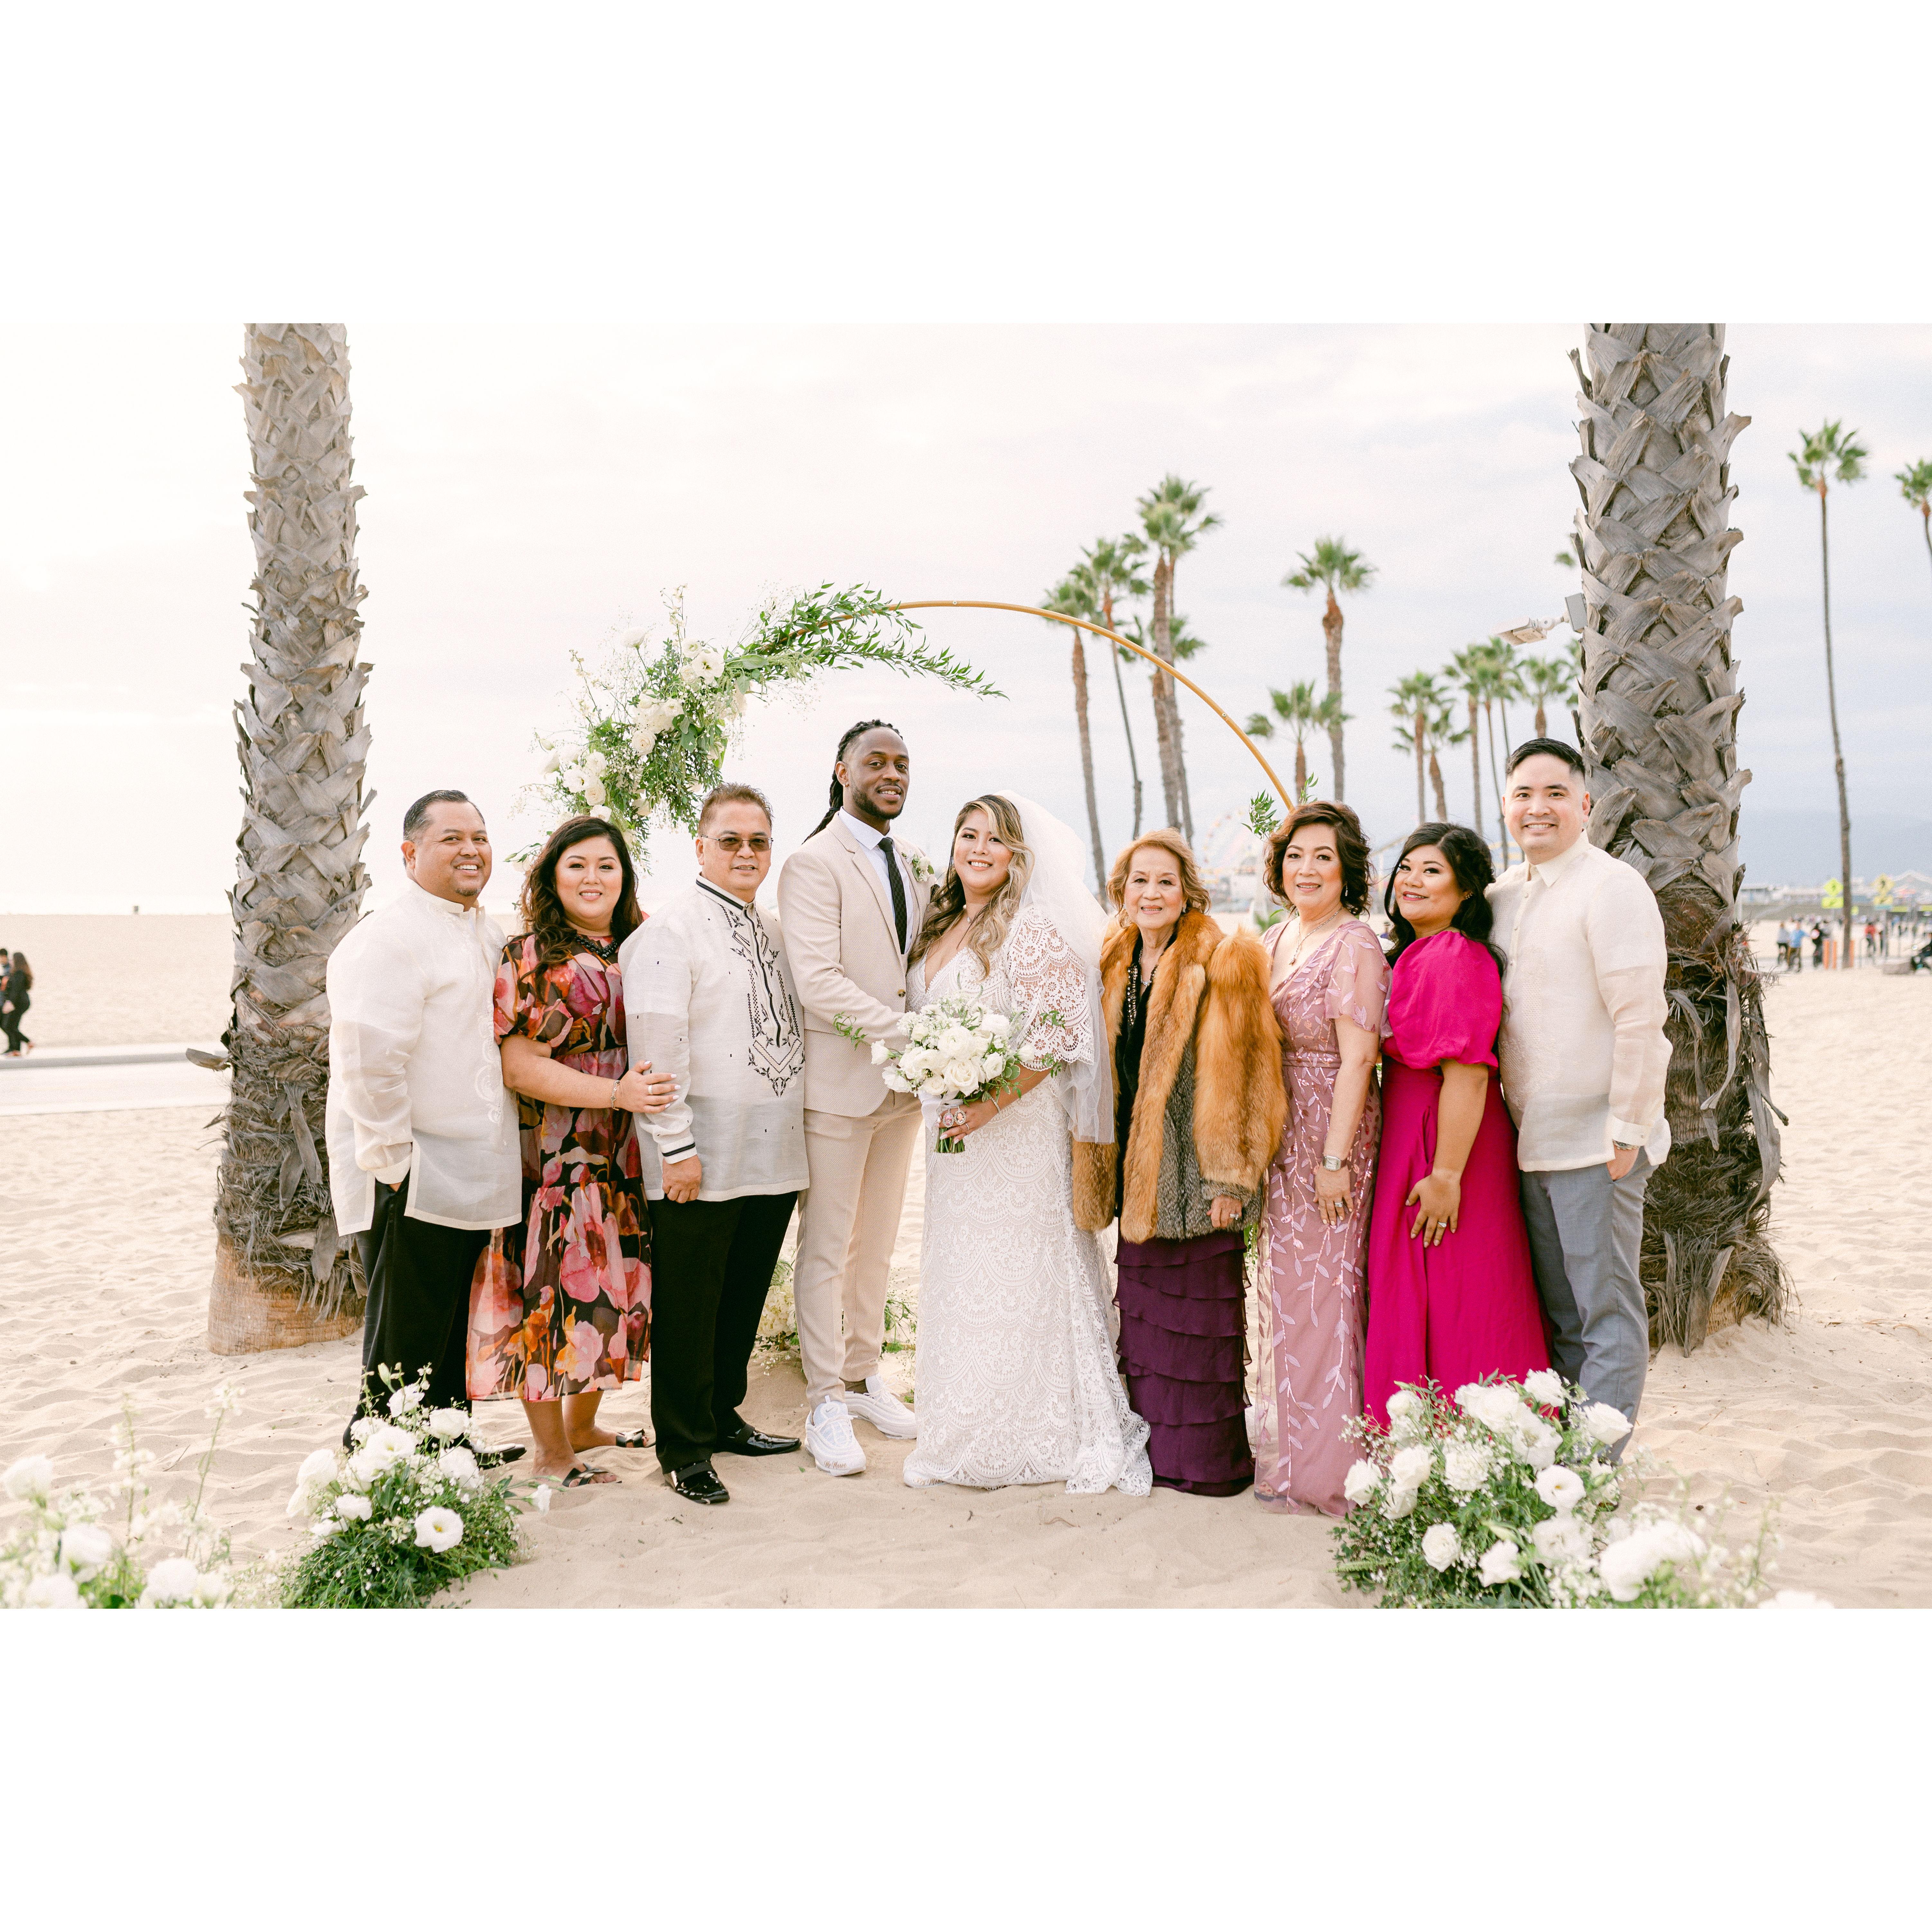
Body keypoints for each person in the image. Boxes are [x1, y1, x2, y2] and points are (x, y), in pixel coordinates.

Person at [902, 793, 1152, 1495]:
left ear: (1019, 856)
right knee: (964, 1269)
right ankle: (969, 1420)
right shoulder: (943, 923)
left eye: (995, 840)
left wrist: (989, 1103)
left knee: (1024, 1267)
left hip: (1014, 1129)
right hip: (953, 1130)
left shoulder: (1031, 928)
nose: (979, 849)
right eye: (968, 835)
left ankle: (1043, 1425)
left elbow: (1058, 1035)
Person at [466, 815, 675, 1488]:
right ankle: (553, 1454)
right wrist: (613, 1094)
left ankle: (586, 1427)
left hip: (629, 1150)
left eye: (607, 866)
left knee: (614, 1292)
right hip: (562, 1156)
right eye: (578, 865)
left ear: (625, 877)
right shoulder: (530, 955)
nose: (593, 878)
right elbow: (520, 1066)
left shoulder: (643, 948)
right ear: (554, 876)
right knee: (553, 1299)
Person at [1075, 829, 1284, 1496]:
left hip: (1197, 1174)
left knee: (1200, 1322)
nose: (1152, 893)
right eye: (1140, 881)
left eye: (1166, 881)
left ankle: (1206, 1466)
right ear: (1121, 891)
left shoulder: (1227, 957)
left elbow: (1249, 1077)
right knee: (1144, 1319)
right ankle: (1154, 1455)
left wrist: (1232, 1179)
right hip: (1139, 1177)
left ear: (1189, 890)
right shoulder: (1114, 958)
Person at [621, 783, 811, 1505]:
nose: (746, 853)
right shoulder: (670, 933)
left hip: (772, 1150)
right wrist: (675, 1149)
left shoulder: (773, 929)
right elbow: (658, 1052)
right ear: (699, 847)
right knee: (691, 1301)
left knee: (740, 1298)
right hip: (701, 1152)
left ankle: (721, 1415)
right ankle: (683, 1445)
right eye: (730, 840)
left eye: (759, 841)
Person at [325, 792, 525, 1451]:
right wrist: (393, 1163)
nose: (471, 850)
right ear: (410, 854)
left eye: (480, 836)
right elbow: (368, 1060)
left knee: (450, 1318)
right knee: (403, 1332)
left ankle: (449, 1448)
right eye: (451, 839)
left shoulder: (483, 930)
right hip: (411, 1169)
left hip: (470, 1167)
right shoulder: (390, 938)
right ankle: (384, 1461)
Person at [1492, 740, 1670, 1441]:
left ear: (1585, 805)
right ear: (1506, 807)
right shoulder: (1503, 896)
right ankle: (1565, 1454)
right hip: (1529, 1142)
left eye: (1556, 794)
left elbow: (1640, 1015)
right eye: (1524, 795)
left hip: (1599, 1143)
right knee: (1561, 1316)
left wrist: (1628, 1125)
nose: (1539, 807)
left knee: (1605, 1311)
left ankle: (1594, 1471)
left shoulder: (1612, 886)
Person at [776, 721, 928, 1477]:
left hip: (900, 1090)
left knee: (879, 1242)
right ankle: (825, 1399)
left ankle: (867, 1374)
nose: (891, 773)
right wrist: (912, 1033)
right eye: (877, 761)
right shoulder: (813, 862)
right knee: (828, 1249)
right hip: (838, 1087)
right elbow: (819, 982)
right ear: (843, 771)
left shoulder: (911, 861)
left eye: (902, 763)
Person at [1363, 823, 1550, 1422]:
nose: (1412, 880)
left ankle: (1469, 1437)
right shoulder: (1414, 953)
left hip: (1445, 1134)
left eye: (1432, 871)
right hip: (1416, 1128)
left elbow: (1468, 1074)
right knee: (1437, 1285)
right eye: (1407, 867)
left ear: (1467, 891)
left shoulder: (1454, 956)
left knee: (1459, 1287)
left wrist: (1446, 1173)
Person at [1253, 802, 1389, 1514]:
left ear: (1347, 871)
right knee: (1287, 1294)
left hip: (1332, 1125)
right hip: (1282, 1127)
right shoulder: (1278, 938)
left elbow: (1360, 1055)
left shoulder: (1355, 943)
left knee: (1330, 1293)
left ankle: (1336, 1467)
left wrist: (1334, 1158)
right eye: (1296, 856)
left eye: (1324, 858)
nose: (1307, 869)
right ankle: (1296, 1452)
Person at [2, 948, 32, 1056]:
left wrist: (10, 1003)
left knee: (9, 1025)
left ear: (17, 961)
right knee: (12, 1025)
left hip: (20, 1003)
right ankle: (16, 1050)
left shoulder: (19, 973)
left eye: (13, 960)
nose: (11, 962)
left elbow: (16, 990)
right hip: (21, 1003)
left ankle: (27, 1042)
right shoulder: (19, 973)